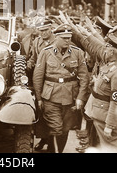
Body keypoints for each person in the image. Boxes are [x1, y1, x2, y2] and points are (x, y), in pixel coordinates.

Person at [72, 22, 117, 151]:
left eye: (109, 49)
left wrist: (110, 125)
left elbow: (116, 102)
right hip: (99, 114)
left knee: (110, 148)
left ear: (114, 52)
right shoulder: (111, 66)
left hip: (105, 118)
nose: (106, 51)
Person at [33, 24, 90, 153]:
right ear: (56, 38)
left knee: (65, 130)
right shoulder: (46, 52)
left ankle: (55, 151)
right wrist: (39, 99)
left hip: (71, 97)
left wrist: (81, 97)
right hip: (50, 97)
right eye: (64, 38)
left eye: (69, 38)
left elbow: (84, 77)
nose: (67, 40)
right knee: (56, 128)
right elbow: (38, 77)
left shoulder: (77, 53)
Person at [26, 18, 55, 152]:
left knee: (51, 111)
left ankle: (51, 142)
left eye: (45, 30)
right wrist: (29, 64)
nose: (43, 33)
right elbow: (34, 57)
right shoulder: (37, 41)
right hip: (38, 80)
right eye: (41, 31)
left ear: (51, 29)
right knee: (40, 110)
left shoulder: (57, 42)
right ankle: (43, 139)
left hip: (51, 80)